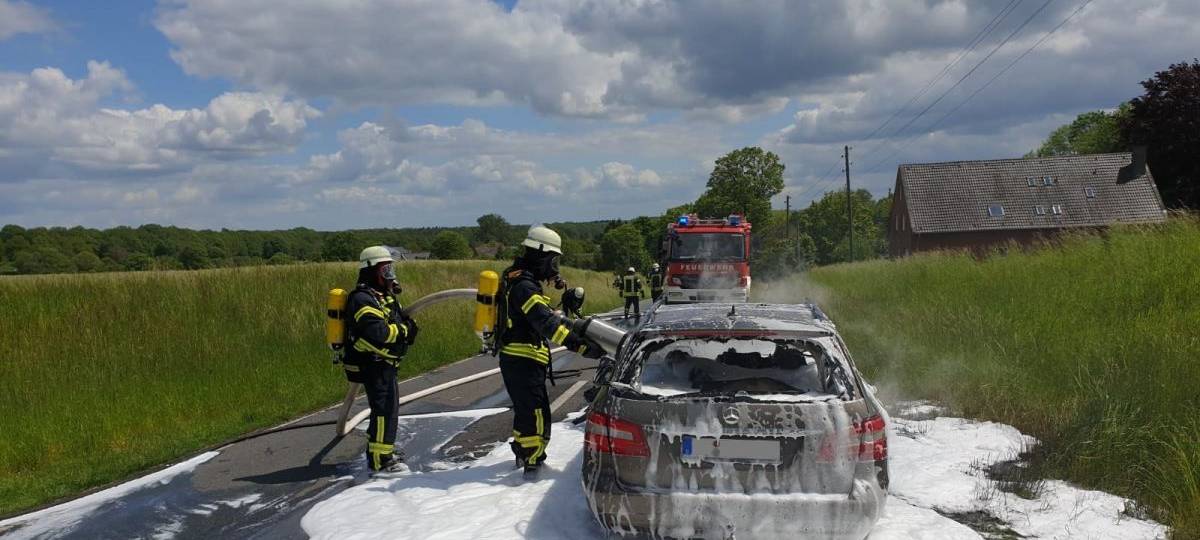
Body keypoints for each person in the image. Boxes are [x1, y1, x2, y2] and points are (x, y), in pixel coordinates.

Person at [498, 225, 603, 475]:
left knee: (529, 411)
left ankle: (525, 453)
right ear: (541, 255)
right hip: (522, 358)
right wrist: (580, 345)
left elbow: (544, 315)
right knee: (534, 412)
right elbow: (544, 323)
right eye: (553, 261)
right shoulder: (524, 286)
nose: (554, 267)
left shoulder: (518, 277)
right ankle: (532, 466)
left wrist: (555, 282)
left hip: (521, 358)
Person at [343, 246, 419, 473]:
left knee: (387, 409)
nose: (389, 273)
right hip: (373, 363)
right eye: (385, 269)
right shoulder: (361, 299)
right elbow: (379, 333)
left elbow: (395, 321)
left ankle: (383, 452)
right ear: (371, 270)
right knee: (384, 411)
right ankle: (380, 460)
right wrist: (405, 331)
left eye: (390, 268)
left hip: (383, 363)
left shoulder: (382, 296)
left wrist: (406, 328)